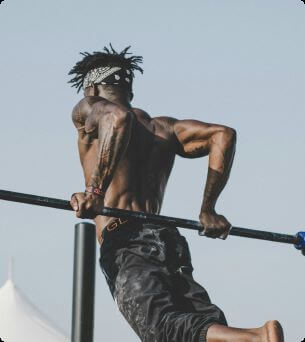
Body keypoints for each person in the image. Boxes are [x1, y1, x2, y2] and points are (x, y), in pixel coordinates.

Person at [68, 45, 284, 342]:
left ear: (91, 88)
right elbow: (222, 135)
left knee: (162, 330)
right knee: (198, 326)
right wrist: (208, 209)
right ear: (129, 89)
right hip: (166, 238)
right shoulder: (162, 128)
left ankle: (259, 336)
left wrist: (94, 191)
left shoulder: (89, 108)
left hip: (126, 240)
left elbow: (117, 119)